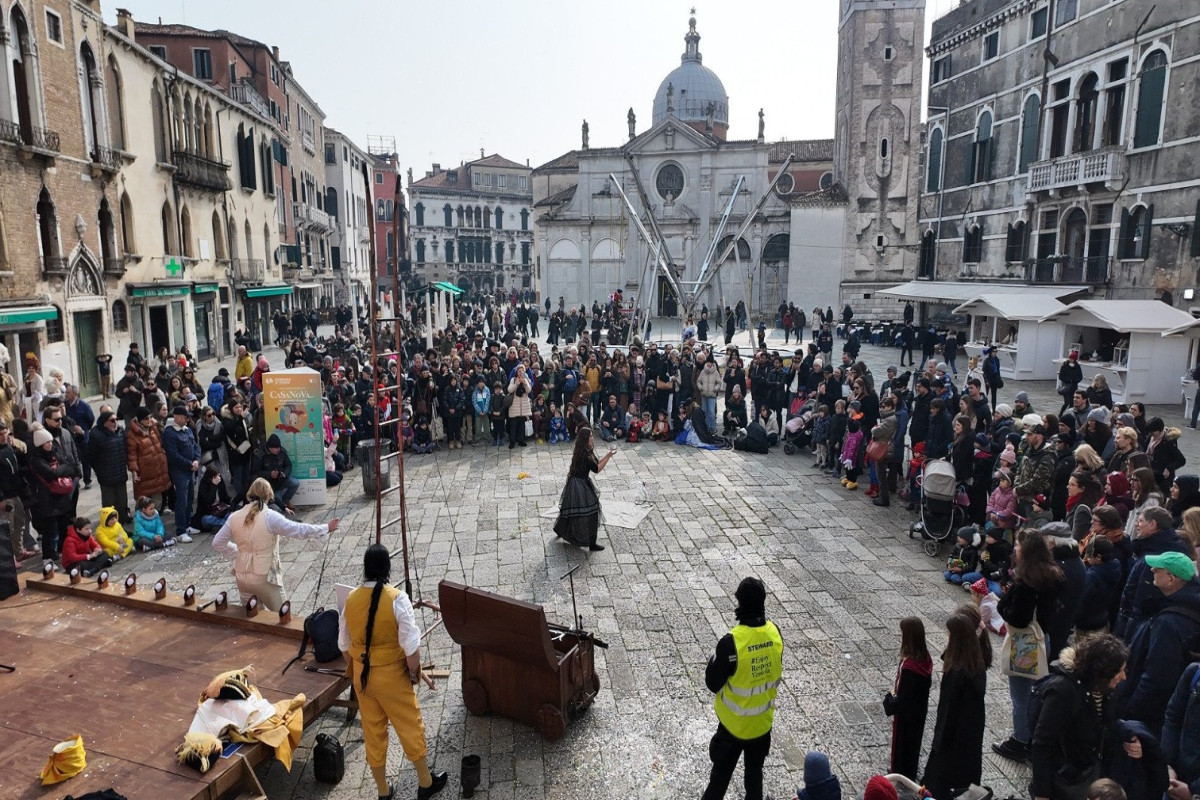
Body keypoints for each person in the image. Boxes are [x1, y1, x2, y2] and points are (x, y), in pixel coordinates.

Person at [338, 544, 448, 800]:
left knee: (373, 732)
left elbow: (343, 645)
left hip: (362, 677)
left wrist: (356, 667)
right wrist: (413, 673)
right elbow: (412, 648)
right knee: (410, 726)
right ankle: (425, 783)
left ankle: (383, 792)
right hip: (391, 677)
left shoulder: (351, 599)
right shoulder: (397, 598)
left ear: (365, 569)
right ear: (388, 568)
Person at [701, 577, 783, 800]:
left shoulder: (731, 643)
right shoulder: (775, 634)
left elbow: (712, 682)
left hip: (733, 727)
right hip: (762, 725)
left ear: (740, 603)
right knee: (754, 779)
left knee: (718, 783)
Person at [993, 529, 1065, 763]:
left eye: (1018, 546)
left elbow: (1018, 618)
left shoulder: (1027, 583)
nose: (1014, 549)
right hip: (1042, 638)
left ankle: (1020, 740)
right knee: (1036, 693)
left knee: (1021, 695)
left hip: (1025, 643)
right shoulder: (1052, 575)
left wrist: (1004, 606)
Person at [212, 478, 338, 612]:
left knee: (252, 620)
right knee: (282, 619)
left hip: (242, 577)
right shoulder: (270, 517)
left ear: (249, 494)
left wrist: (238, 553)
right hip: (265, 577)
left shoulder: (234, 516)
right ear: (269, 496)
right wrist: (325, 528)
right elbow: (297, 529)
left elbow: (217, 543)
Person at [1115, 551, 1200, 733]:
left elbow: (1157, 676)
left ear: (1171, 579)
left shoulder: (1169, 622)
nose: (1152, 569)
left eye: (1158, 569)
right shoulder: (1187, 608)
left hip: (1148, 716)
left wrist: (1130, 710)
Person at [921, 607, 989, 800]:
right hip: (971, 735)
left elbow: (947, 711)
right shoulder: (976, 661)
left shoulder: (957, 672)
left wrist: (938, 743)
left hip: (952, 741)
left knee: (939, 782)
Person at [884, 617, 932, 781]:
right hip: (919, 710)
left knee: (903, 743)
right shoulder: (924, 658)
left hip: (907, 714)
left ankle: (901, 772)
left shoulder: (911, 668)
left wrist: (889, 700)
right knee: (913, 742)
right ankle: (908, 770)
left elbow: (903, 699)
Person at [553, 427, 613, 552]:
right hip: (578, 484)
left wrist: (607, 455)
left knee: (571, 509)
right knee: (591, 510)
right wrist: (609, 457)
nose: (593, 437)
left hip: (580, 482)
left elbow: (595, 463)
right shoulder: (585, 453)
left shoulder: (587, 450)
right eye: (591, 436)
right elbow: (597, 469)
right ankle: (592, 543)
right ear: (586, 439)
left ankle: (560, 529)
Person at [162, 404, 201, 543]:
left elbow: (195, 446)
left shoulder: (187, 430)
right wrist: (189, 464)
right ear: (177, 418)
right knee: (182, 500)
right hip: (180, 471)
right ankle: (181, 530)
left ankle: (188, 524)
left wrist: (196, 459)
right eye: (185, 418)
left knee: (190, 498)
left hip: (191, 470)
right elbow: (173, 455)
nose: (187, 420)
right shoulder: (169, 433)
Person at [252, 434, 301, 513]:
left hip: (281, 480)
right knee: (278, 508)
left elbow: (288, 465)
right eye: (276, 448)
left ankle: (286, 501)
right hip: (268, 485)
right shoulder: (260, 455)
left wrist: (285, 474)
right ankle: (281, 504)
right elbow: (255, 472)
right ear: (269, 448)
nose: (278, 450)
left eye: (279, 447)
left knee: (295, 483)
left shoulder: (281, 451)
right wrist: (269, 474)